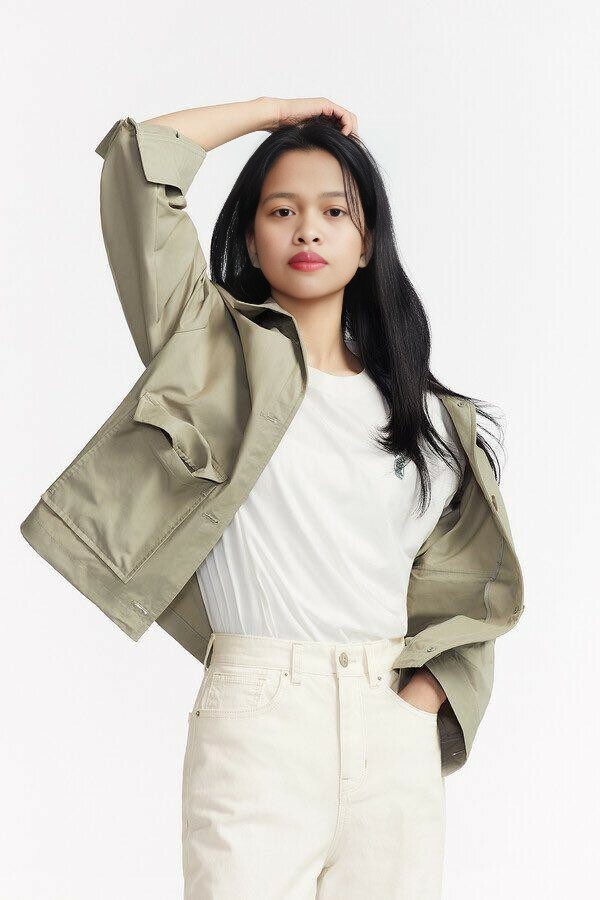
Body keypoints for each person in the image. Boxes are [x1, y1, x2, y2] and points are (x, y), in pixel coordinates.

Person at [20, 97, 525, 899]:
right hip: (259, 720)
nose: (307, 231)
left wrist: (420, 702)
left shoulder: (431, 419)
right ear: (251, 239)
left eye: (334, 212)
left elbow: (472, 594)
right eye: (281, 211)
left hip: (391, 728)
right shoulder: (207, 352)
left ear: (368, 241)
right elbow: (141, 165)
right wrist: (274, 115)